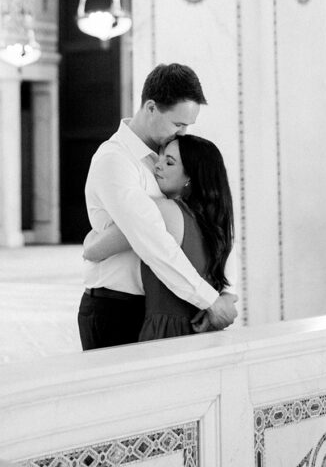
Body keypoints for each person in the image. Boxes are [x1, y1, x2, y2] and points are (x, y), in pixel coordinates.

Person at [78, 62, 237, 351]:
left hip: (161, 304)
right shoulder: (115, 160)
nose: (183, 132)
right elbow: (151, 239)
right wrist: (210, 300)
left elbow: (204, 223)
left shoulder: (169, 157)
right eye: (178, 124)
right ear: (151, 107)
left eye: (187, 125)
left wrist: (221, 290)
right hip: (116, 307)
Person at [82, 134, 234, 341]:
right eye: (160, 157)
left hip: (164, 330)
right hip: (199, 327)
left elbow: (92, 251)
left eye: (169, 162)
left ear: (190, 177)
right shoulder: (216, 223)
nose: (157, 166)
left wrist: (93, 234)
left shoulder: (162, 211)